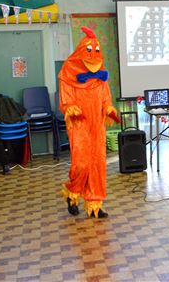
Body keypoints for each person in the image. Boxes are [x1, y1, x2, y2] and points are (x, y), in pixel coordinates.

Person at [59, 27, 120, 218]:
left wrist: (108, 108)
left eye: (96, 50)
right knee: (82, 163)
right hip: (79, 123)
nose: (93, 54)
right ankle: (73, 194)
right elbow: (66, 97)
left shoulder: (100, 73)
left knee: (98, 163)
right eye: (89, 50)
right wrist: (70, 107)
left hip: (96, 124)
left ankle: (95, 203)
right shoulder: (68, 71)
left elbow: (104, 96)